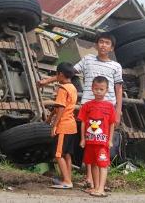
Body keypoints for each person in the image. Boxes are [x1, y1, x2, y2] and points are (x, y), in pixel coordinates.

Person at [38, 31, 123, 188]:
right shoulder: (87, 60)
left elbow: (119, 89)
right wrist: (47, 81)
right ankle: (89, 178)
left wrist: (118, 110)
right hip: (88, 108)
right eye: (101, 42)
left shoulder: (116, 66)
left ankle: (99, 179)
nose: (103, 45)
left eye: (107, 43)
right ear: (96, 45)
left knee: (102, 142)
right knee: (89, 141)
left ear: (111, 48)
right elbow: (68, 74)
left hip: (106, 108)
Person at [78, 76, 116, 197]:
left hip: (102, 143)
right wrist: (83, 139)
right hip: (90, 142)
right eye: (96, 89)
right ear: (92, 89)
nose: (98, 92)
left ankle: (101, 188)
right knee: (93, 164)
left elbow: (112, 124)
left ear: (106, 90)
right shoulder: (86, 106)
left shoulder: (109, 106)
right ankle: (95, 187)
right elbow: (83, 122)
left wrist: (110, 140)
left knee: (102, 164)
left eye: (101, 89)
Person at [48, 62, 78, 189]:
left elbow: (60, 107)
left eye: (57, 74)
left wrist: (54, 125)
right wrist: (49, 117)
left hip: (63, 125)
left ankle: (66, 182)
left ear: (60, 74)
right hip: (72, 125)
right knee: (67, 154)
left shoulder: (62, 88)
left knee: (58, 154)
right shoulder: (73, 87)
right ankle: (67, 178)